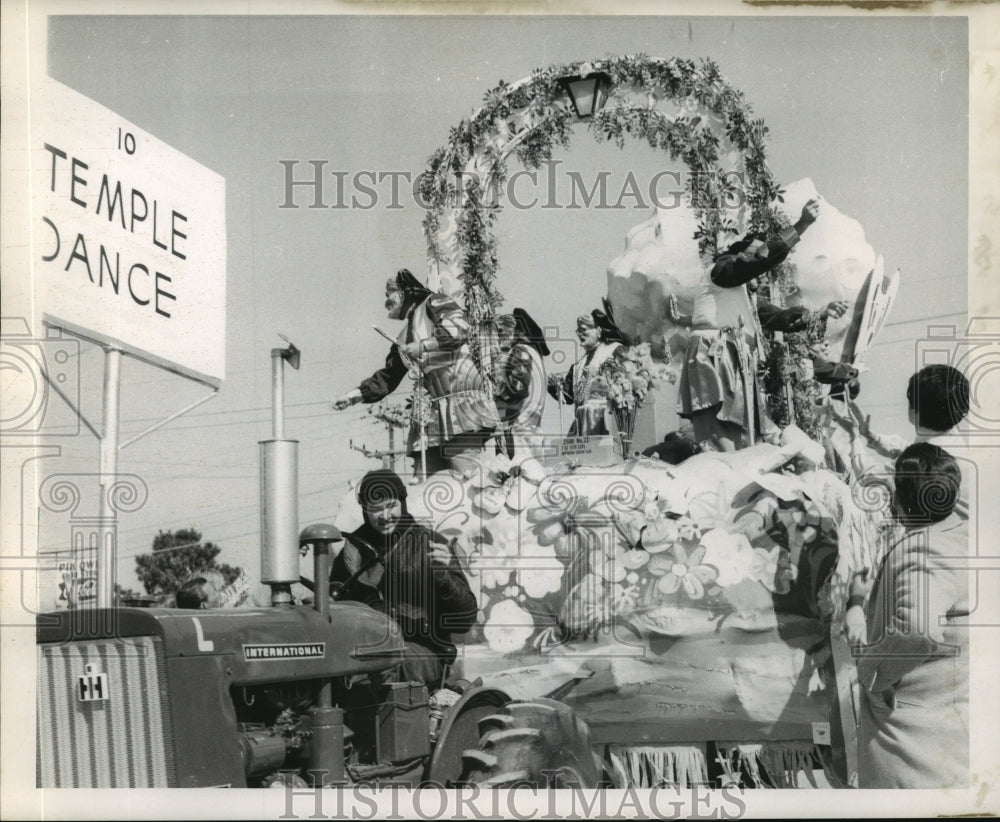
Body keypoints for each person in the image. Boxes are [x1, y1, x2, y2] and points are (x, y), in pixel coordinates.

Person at [851, 443, 968, 788]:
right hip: (944, 738)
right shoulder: (960, 538)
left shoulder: (925, 548)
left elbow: (918, 629)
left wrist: (870, 672)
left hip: (913, 752)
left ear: (901, 501)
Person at [667, 198, 823, 451]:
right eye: (753, 256)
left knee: (739, 437)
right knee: (720, 438)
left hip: (731, 359)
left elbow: (775, 317)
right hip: (714, 358)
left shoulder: (739, 292)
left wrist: (818, 314)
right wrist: (801, 225)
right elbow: (755, 262)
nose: (757, 272)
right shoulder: (721, 270)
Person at [332, 269, 498, 476]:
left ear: (402, 293)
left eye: (388, 295)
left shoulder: (434, 303)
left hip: (460, 399)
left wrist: (424, 346)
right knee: (426, 473)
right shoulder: (404, 336)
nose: (385, 302)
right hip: (433, 409)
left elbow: (460, 328)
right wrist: (353, 395)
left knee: (465, 468)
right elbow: (389, 376)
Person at [331, 469, 478, 687]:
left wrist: (444, 577)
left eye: (391, 505)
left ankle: (372, 720)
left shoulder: (430, 544)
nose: (385, 516)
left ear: (403, 502)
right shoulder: (352, 550)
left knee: (381, 661)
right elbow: (335, 600)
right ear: (364, 509)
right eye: (375, 509)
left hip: (425, 648)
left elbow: (465, 618)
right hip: (366, 645)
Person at [547, 301, 626, 436]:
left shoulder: (614, 350)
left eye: (584, 330)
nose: (579, 334)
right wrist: (555, 386)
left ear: (599, 330)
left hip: (606, 422)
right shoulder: (577, 366)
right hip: (582, 426)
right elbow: (569, 397)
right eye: (578, 330)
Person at [493, 308, 549, 458]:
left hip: (519, 429)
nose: (498, 337)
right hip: (532, 428)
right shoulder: (535, 355)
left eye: (501, 332)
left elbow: (517, 388)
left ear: (514, 332)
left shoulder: (520, 351)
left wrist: (493, 393)